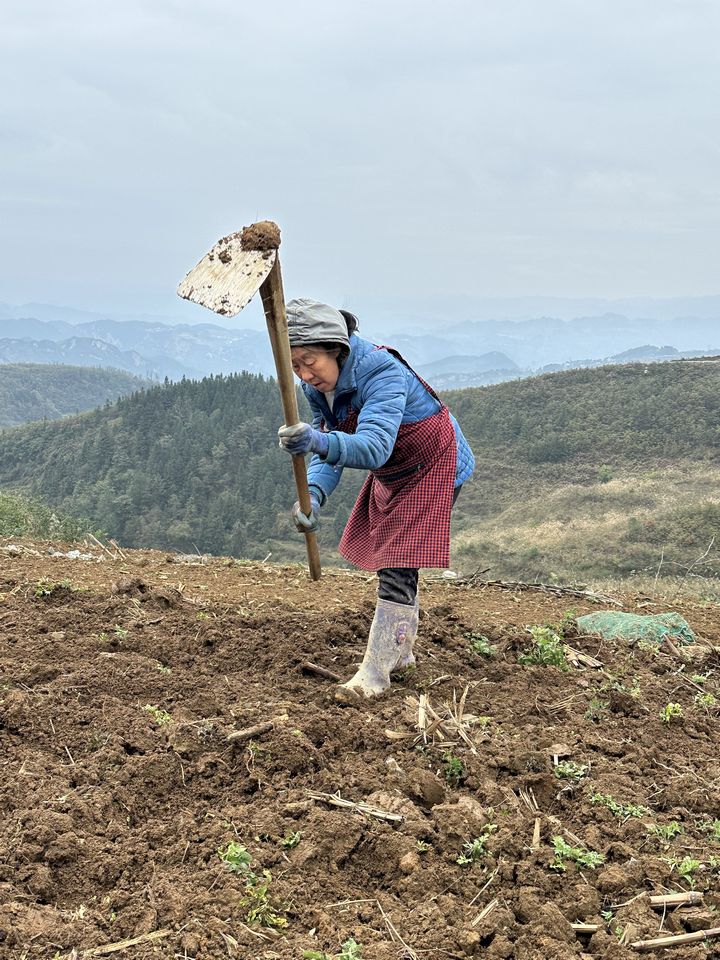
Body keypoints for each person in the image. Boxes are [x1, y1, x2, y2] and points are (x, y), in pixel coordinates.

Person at [277, 299, 475, 698]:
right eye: (294, 364)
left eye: (309, 360)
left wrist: (316, 440)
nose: (304, 373)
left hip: (434, 464)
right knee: (397, 563)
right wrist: (313, 494)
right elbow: (329, 445)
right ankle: (400, 654)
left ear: (336, 347)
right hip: (396, 470)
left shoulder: (381, 371)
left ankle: (377, 672)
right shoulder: (317, 387)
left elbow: (372, 447)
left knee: (396, 565)